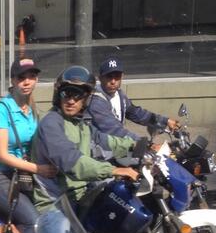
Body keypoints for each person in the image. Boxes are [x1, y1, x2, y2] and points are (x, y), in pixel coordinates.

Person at [32, 65, 139, 212]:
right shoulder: (51, 123)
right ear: (58, 95)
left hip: (80, 195)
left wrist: (136, 145)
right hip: (55, 204)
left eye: (77, 96)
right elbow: (70, 160)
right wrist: (113, 170)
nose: (71, 101)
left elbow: (105, 140)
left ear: (86, 99)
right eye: (66, 94)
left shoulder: (79, 123)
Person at [0, 58, 57, 233]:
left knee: (52, 213)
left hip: (22, 175)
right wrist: (38, 168)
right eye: (21, 77)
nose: (27, 82)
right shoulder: (1, 110)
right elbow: (2, 155)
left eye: (31, 76)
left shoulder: (31, 110)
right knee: (33, 222)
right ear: (13, 80)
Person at [88, 56, 180, 139]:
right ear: (100, 78)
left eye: (117, 77)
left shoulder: (119, 94)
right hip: (101, 151)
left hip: (116, 146)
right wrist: (142, 143)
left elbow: (135, 113)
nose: (113, 81)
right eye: (109, 77)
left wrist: (165, 121)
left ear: (122, 77)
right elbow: (115, 131)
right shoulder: (96, 100)